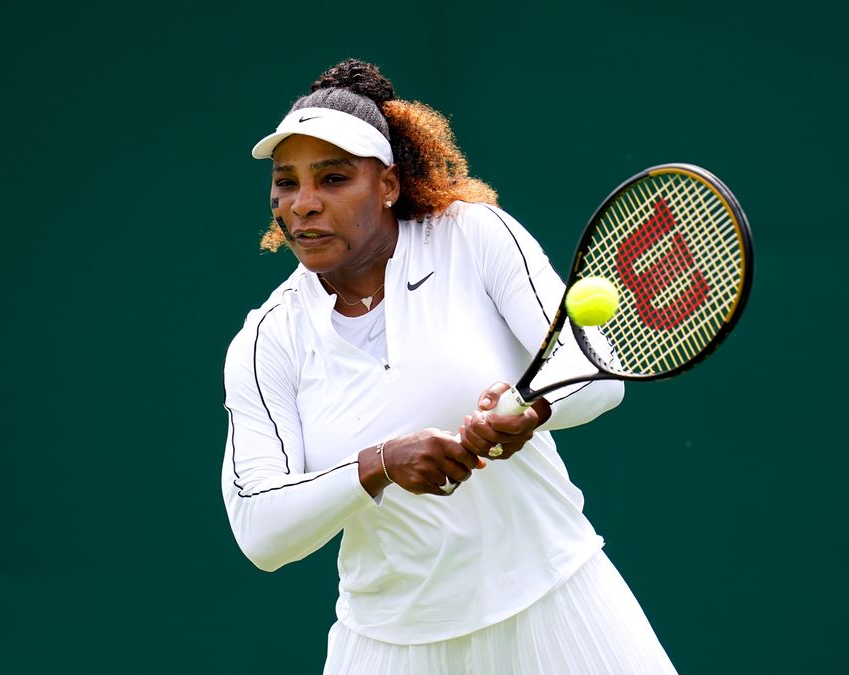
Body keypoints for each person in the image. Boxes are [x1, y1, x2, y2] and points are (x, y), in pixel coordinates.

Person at [222, 58, 678, 674]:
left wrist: (530, 411)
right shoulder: (267, 340)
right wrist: (378, 466)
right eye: (286, 182)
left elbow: (597, 374)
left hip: (557, 601)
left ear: (387, 184)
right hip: (389, 644)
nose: (303, 204)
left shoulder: (474, 237)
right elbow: (262, 531)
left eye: (333, 179)